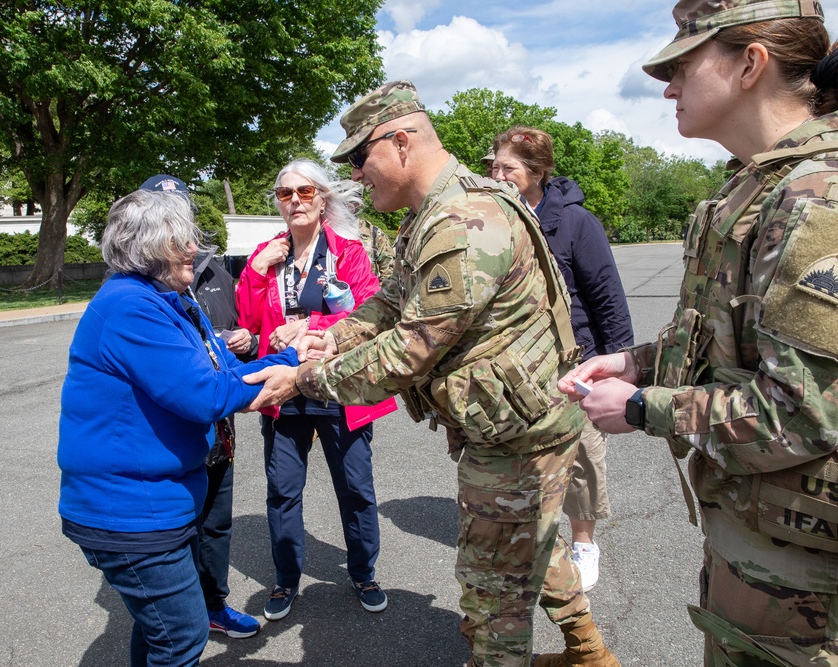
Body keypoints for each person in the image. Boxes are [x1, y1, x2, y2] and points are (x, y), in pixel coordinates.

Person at [245, 81, 620, 667]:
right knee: (535, 542)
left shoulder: (462, 222)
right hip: (513, 425)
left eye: (360, 157)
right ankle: (587, 650)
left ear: (400, 142)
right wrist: (333, 336)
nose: (356, 175)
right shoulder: (431, 214)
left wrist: (303, 379)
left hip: (518, 437)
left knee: (491, 588)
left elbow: (407, 353)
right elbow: (391, 302)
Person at [558, 1, 838, 664]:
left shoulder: (817, 199)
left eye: (683, 65)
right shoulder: (758, 187)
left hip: (808, 594)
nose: (667, 87)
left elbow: (808, 412)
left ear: (751, 64)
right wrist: (638, 363)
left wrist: (642, 407)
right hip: (760, 551)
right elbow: (728, 339)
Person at [57, 188, 299, 666]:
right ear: (148, 247)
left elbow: (217, 366)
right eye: (181, 240)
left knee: (159, 631)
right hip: (131, 512)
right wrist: (292, 367)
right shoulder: (133, 307)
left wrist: (287, 356)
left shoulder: (159, 298)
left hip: (151, 504)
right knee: (182, 635)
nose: (194, 249)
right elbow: (205, 395)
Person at [235, 158, 388, 621]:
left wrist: (310, 325)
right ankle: (286, 579)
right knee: (283, 490)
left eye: (305, 192)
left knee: (355, 487)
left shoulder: (348, 251)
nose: (296, 201)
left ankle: (363, 572)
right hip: (284, 390)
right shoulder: (267, 253)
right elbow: (248, 321)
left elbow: (368, 311)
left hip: (338, 386)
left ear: (322, 200)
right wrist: (255, 270)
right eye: (286, 193)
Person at [490, 127, 634, 591]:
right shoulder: (492, 219)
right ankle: (531, 531)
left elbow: (607, 297)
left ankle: (584, 542)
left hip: (574, 359)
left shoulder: (575, 222)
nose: (498, 175)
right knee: (525, 450)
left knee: (582, 456)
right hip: (516, 363)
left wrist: (620, 363)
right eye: (494, 166)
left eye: (509, 167)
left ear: (537, 172)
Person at [135, 174, 263, 640]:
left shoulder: (212, 271)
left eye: (183, 215)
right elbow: (183, 379)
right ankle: (181, 614)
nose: (181, 232)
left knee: (216, 525)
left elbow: (237, 337)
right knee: (179, 530)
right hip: (176, 438)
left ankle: (213, 606)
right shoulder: (137, 291)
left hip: (218, 432)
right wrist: (280, 377)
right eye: (166, 217)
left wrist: (249, 344)